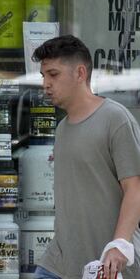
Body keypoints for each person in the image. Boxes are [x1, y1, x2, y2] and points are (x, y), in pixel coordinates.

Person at [31, 35, 140, 279]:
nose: (45, 84)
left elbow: (136, 188)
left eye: (54, 74)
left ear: (80, 73)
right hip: (59, 261)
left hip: (108, 263)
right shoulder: (62, 128)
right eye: (43, 76)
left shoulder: (116, 119)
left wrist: (120, 244)